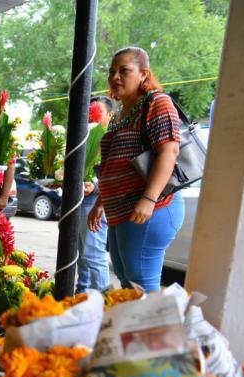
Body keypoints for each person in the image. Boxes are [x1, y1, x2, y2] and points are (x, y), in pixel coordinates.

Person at [88, 47, 184, 293]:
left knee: (141, 284)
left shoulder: (156, 102)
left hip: (151, 207)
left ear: (144, 74)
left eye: (124, 70)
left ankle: (153, 331)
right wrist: (101, 202)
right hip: (122, 211)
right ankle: (133, 331)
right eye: (112, 72)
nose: (115, 77)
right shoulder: (121, 114)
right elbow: (113, 163)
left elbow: (169, 152)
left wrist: (148, 198)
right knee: (126, 280)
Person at [75, 96, 113, 293]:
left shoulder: (110, 139)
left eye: (97, 112)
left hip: (96, 203)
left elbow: (114, 175)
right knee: (82, 255)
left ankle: (104, 302)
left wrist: (95, 187)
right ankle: (81, 296)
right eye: (89, 113)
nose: (92, 117)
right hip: (80, 202)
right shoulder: (84, 138)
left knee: (93, 255)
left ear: (110, 115)